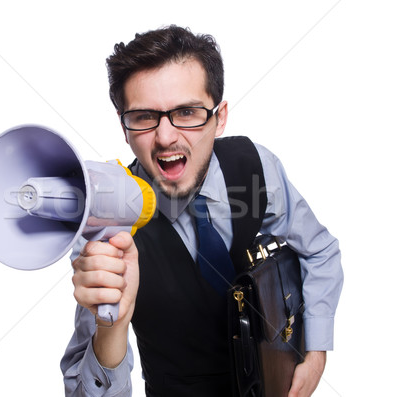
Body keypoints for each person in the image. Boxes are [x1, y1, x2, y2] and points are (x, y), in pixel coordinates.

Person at [61, 25, 343, 397]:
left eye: (187, 112)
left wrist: (316, 350)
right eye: (144, 116)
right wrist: (110, 328)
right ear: (123, 126)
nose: (165, 137)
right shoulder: (105, 227)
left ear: (219, 116)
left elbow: (320, 250)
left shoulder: (257, 168)